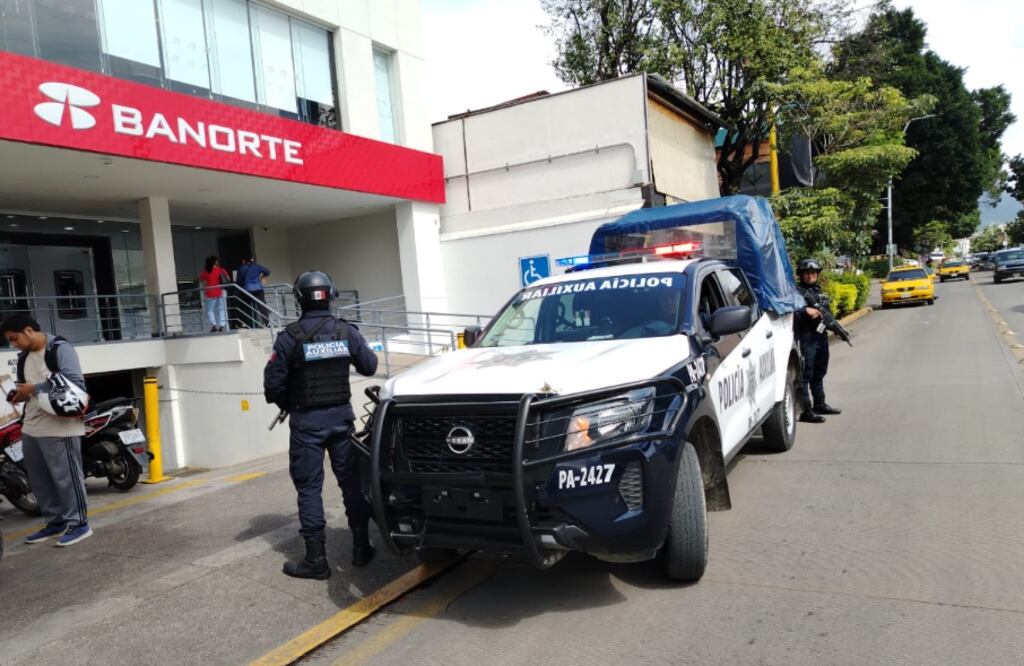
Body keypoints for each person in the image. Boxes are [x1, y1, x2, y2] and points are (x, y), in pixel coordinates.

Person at [264, 270, 378, 579]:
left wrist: (291, 402)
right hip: (341, 422)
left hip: (305, 425)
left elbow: (272, 386)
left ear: (299, 298)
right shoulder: (346, 331)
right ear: (331, 295)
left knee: (309, 490)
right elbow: (370, 366)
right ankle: (361, 547)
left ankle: (316, 561)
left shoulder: (289, 337)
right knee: (351, 484)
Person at [2, 315, 92, 547]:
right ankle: (55, 522)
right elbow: (28, 388)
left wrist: (35, 387)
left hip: (61, 425)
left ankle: (79, 524)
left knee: (67, 479)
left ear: (28, 330)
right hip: (32, 426)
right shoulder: (24, 357)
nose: (14, 344)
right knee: (39, 480)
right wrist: (20, 393)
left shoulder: (59, 348)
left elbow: (75, 381)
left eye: (14, 338)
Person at [794, 259, 842, 424]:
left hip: (820, 337)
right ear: (801, 275)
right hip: (806, 338)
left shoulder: (819, 292)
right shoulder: (796, 293)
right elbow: (789, 310)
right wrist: (804, 310)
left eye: (813, 273)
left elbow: (827, 313)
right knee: (806, 374)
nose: (810, 276)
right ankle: (806, 411)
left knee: (819, 372)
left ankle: (819, 403)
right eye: (807, 273)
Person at [236, 257, 271, 328]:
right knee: (262, 306)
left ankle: (244, 323)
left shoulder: (241, 268)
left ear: (244, 261)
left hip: (247, 290)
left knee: (245, 306)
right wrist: (262, 277)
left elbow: (238, 281)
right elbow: (268, 271)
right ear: (251, 261)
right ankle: (267, 323)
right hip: (258, 289)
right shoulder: (257, 266)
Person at [199, 256, 230, 333]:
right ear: (215, 262)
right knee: (221, 308)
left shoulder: (205, 271)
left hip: (210, 292)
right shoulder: (220, 269)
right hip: (219, 291)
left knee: (210, 310)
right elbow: (228, 278)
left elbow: (200, 279)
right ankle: (222, 326)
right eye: (217, 261)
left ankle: (214, 326)